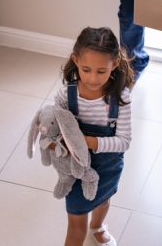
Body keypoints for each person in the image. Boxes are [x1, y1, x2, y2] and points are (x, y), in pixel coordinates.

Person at [54, 27, 134, 246]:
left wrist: (88, 142)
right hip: (76, 170)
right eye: (86, 69)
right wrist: (57, 144)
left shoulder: (120, 97)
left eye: (101, 71)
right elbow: (55, 127)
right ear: (76, 60)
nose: (92, 78)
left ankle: (97, 226)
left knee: (103, 200)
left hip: (108, 166)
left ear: (115, 64)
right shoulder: (65, 94)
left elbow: (124, 141)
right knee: (76, 223)